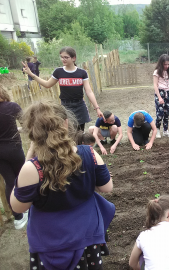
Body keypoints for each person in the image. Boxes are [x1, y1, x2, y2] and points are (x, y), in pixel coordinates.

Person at [10, 101, 115, 270]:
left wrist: (29, 157)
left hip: (50, 241)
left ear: (32, 131)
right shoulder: (89, 153)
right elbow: (107, 187)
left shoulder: (32, 168)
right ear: (66, 123)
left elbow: (18, 206)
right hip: (86, 235)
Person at [22, 46, 104, 131]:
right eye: (61, 57)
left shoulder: (82, 73)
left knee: (80, 132)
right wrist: (31, 74)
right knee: (68, 132)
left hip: (79, 105)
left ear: (73, 58)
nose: (63, 59)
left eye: (66, 57)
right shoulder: (58, 72)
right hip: (65, 106)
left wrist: (97, 108)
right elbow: (47, 84)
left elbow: (89, 91)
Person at [0, 86, 27, 229]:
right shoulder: (12, 106)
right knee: (22, 178)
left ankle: (18, 218)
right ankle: (27, 206)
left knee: (9, 182)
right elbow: (27, 125)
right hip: (14, 149)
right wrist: (17, 129)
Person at [153, 54, 169, 139]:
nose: (166, 66)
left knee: (167, 113)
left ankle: (165, 131)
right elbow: (155, 85)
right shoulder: (157, 72)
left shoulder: (168, 71)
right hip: (160, 93)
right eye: (165, 64)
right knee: (160, 113)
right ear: (161, 63)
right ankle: (157, 130)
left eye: (168, 64)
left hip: (168, 93)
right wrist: (159, 97)